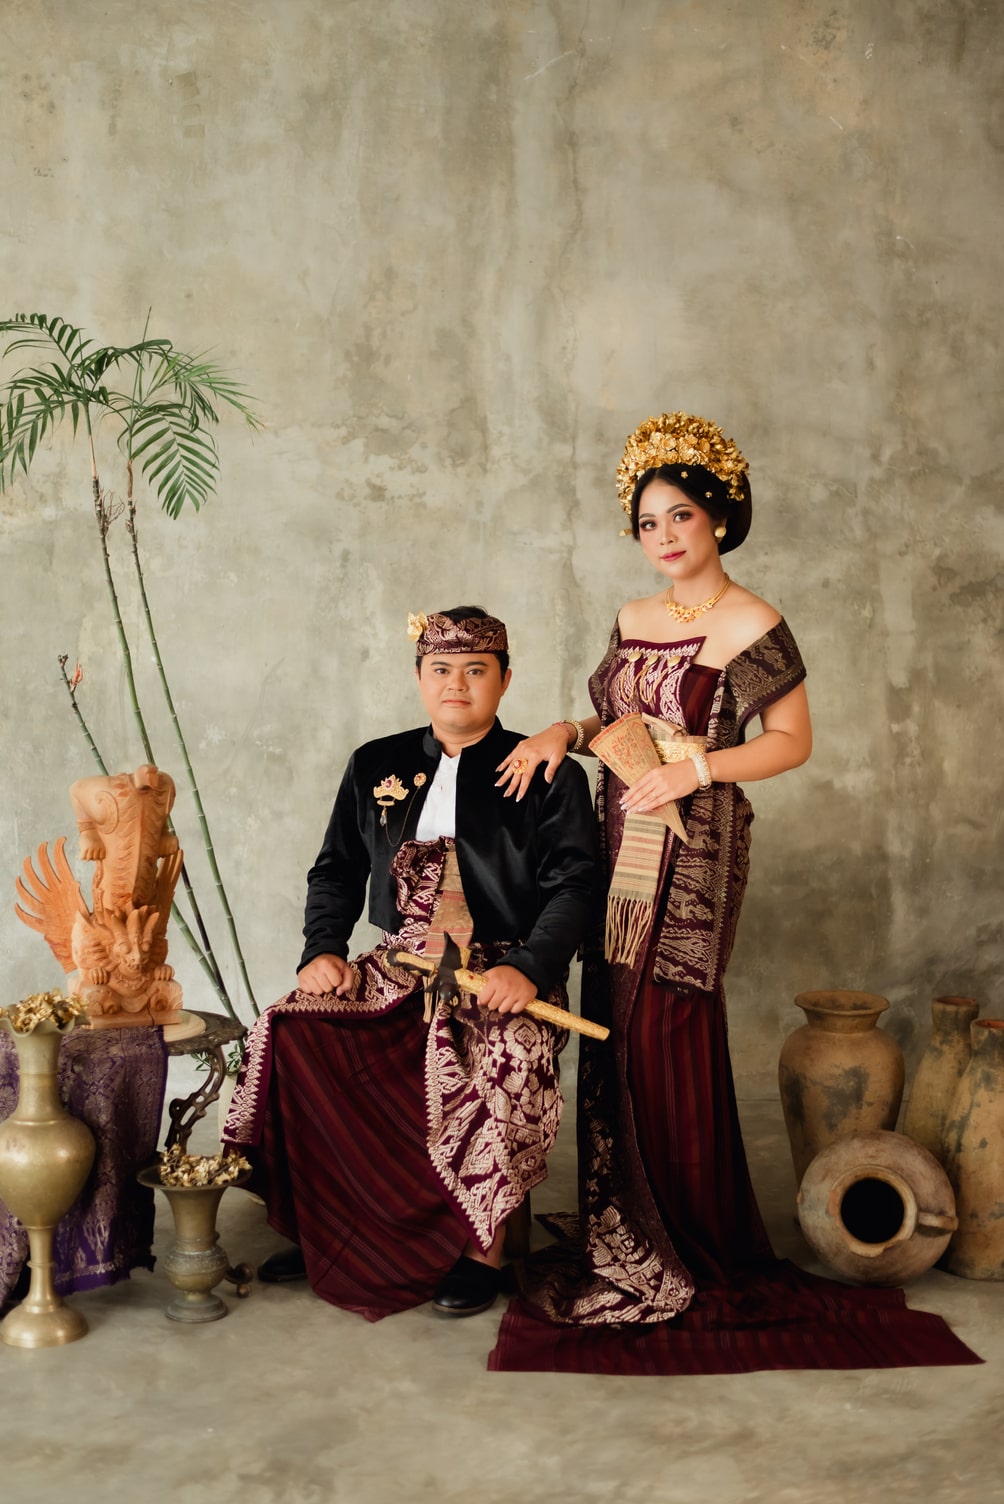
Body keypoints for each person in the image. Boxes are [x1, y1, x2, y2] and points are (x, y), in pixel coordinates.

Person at [487, 413, 978, 1374]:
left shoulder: (753, 622)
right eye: (647, 523)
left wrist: (698, 771)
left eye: (680, 515)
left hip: (695, 844)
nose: (664, 536)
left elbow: (793, 742)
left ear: (717, 516)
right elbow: (616, 722)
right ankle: (626, 1228)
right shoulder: (632, 616)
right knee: (613, 1020)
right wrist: (560, 733)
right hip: (616, 837)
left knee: (667, 1023)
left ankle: (688, 1236)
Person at [223, 606, 598, 1321]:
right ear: (419, 678)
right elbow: (335, 870)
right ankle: (326, 1224)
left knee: (508, 1055)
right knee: (290, 1029)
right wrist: (322, 950)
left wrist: (530, 966)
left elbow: (575, 886)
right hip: (400, 963)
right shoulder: (375, 763)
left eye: (476, 670)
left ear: (505, 680)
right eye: (440, 669)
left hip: (501, 969)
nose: (457, 684)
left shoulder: (550, 773)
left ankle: (481, 1250)